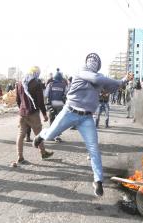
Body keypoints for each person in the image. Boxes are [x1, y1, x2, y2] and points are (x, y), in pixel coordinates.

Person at [33, 53, 133, 196]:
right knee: (50, 135)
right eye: (91, 60)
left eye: (96, 61)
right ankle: (40, 136)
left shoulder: (100, 77)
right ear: (87, 62)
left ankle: (98, 180)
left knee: (94, 149)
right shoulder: (83, 71)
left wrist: (124, 80)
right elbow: (96, 78)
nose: (93, 63)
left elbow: (110, 88)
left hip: (86, 118)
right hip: (69, 112)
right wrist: (115, 81)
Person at [14, 66, 54, 165]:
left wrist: (22, 109)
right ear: (36, 73)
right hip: (33, 113)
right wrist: (44, 114)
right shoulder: (36, 84)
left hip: (22, 114)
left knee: (21, 134)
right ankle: (43, 153)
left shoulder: (20, 83)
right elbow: (40, 102)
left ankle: (20, 157)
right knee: (39, 134)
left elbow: (18, 100)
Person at [45, 71, 67, 142]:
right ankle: (57, 136)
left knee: (52, 119)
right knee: (59, 120)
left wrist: (47, 105)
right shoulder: (64, 85)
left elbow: (46, 95)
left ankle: (51, 135)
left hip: (51, 104)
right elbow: (67, 94)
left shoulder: (50, 84)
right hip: (60, 105)